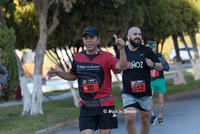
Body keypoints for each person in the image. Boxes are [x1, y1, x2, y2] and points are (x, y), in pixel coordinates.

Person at [47, 26, 127, 134]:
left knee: (105, 133)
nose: (88, 41)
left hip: (105, 104)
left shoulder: (107, 56)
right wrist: (57, 73)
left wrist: (121, 49)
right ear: (83, 41)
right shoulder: (78, 57)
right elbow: (73, 75)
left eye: (91, 38)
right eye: (86, 38)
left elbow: (122, 66)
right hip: (86, 105)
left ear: (98, 40)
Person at [116, 27, 163, 134]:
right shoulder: (122, 50)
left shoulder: (147, 50)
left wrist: (153, 64)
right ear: (128, 37)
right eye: (135, 34)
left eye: (139, 34)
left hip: (144, 91)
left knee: (145, 120)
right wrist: (122, 66)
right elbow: (117, 70)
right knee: (129, 118)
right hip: (129, 92)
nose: (138, 36)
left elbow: (160, 66)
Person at [147, 41, 170, 125]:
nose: (151, 49)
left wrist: (157, 66)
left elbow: (167, 68)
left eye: (152, 48)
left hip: (160, 79)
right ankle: (153, 115)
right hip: (150, 80)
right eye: (150, 48)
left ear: (155, 47)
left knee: (160, 100)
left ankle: (160, 117)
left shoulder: (160, 56)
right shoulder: (146, 56)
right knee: (149, 99)